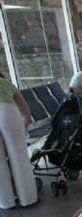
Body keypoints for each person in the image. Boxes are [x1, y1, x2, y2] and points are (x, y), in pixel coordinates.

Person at [0, 77, 37, 209]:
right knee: (19, 156)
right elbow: (24, 107)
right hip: (7, 113)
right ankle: (28, 198)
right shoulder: (5, 83)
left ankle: (5, 203)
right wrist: (26, 122)